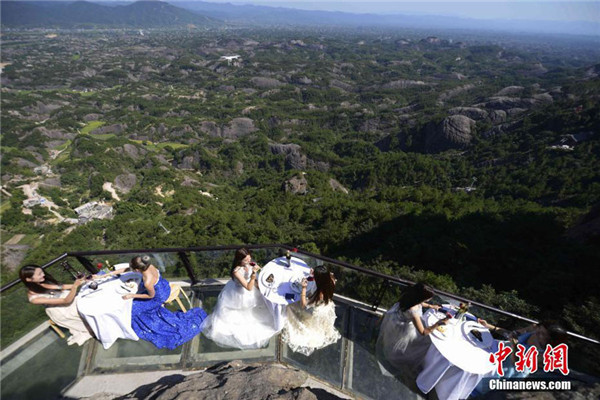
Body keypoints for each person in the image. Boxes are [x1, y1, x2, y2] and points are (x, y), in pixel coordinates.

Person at [107, 255, 207, 349]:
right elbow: (128, 269)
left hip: (158, 297)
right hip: (164, 286)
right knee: (133, 302)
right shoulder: (149, 266)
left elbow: (151, 296)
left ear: (137, 270)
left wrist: (132, 295)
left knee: (133, 309)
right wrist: (108, 275)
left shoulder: (147, 281)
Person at [201, 248, 277, 349]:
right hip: (242, 293)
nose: (248, 261)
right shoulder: (236, 272)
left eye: (249, 258)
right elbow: (249, 288)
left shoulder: (250, 263)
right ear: (239, 260)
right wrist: (253, 274)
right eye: (245, 260)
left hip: (251, 285)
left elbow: (254, 279)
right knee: (242, 313)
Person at [376, 282, 449, 377]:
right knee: (426, 342)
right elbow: (423, 332)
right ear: (421, 297)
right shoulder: (413, 311)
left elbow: (421, 304)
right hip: (405, 328)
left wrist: (431, 306)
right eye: (428, 298)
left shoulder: (409, 296)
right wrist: (438, 323)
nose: (429, 300)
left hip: (396, 321)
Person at [20, 264, 93, 346]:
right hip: (62, 310)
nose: (43, 275)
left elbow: (62, 287)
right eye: (39, 274)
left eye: (42, 272)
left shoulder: (41, 284)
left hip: (68, 299)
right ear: (29, 279)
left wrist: (82, 282)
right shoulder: (34, 298)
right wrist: (75, 286)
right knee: (87, 304)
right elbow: (66, 301)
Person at [281, 266, 341, 356]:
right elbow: (330, 274)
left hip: (315, 311)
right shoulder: (330, 280)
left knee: (289, 306)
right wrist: (314, 273)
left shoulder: (320, 294)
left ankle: (292, 320)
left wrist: (304, 288)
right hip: (326, 306)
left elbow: (303, 305)